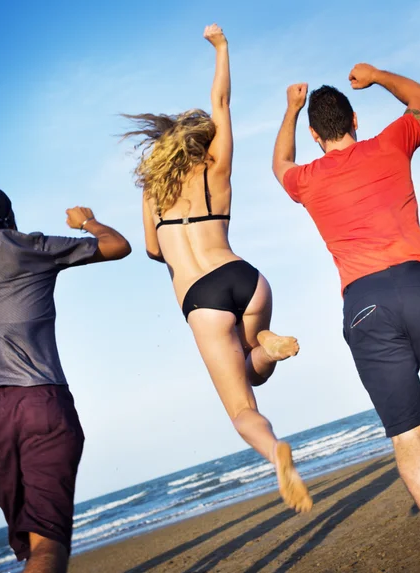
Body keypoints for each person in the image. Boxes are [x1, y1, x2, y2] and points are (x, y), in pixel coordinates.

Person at [272, 65, 420, 572]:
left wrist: (292, 110)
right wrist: (378, 76)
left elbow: (280, 162)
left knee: (408, 435)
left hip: (364, 302)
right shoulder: (389, 144)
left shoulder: (306, 179)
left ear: (316, 136)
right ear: (356, 120)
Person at [122, 25, 312, 513]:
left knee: (244, 409)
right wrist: (222, 48)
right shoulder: (217, 170)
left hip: (202, 301)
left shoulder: (151, 193)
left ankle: (276, 453)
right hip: (245, 277)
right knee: (257, 366)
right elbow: (223, 103)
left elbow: (150, 250)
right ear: (201, 139)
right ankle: (265, 339)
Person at [0, 177, 131, 573]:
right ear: (9, 219)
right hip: (40, 402)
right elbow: (118, 246)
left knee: (28, 541)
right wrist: (87, 222)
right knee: (46, 545)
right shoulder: (30, 246)